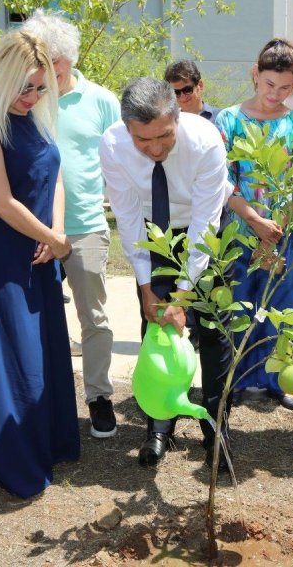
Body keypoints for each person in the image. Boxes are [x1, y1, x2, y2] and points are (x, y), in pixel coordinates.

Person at [0, 31, 80, 498]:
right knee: (16, 357)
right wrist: (50, 237)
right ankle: (17, 460)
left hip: (41, 252)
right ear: (0, 78)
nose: (31, 98)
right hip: (6, 259)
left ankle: (49, 443)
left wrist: (56, 237)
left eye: (39, 88)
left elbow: (56, 178)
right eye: (23, 88)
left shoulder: (35, 117)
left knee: (46, 350)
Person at [99, 77, 233, 468]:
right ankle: (158, 428)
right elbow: (126, 216)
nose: (155, 148)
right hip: (154, 235)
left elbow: (205, 225)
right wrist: (146, 286)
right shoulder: (113, 145)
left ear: (178, 118)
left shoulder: (205, 141)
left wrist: (184, 294)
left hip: (202, 234)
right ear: (127, 129)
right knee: (156, 330)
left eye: (164, 137)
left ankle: (215, 429)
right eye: (144, 140)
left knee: (211, 332)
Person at [21, 10, 121, 439]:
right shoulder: (24, 97)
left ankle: (98, 396)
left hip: (85, 227)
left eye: (56, 68)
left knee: (94, 318)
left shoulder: (101, 100)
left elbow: (119, 163)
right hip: (33, 229)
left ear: (70, 60)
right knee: (36, 319)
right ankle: (44, 397)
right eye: (43, 68)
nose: (50, 78)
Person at [216, 38, 293, 411]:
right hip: (240, 232)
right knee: (240, 304)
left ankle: (283, 380)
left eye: (285, 87)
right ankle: (238, 380)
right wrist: (256, 222)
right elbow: (223, 180)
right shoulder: (228, 120)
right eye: (269, 84)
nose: (275, 93)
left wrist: (274, 230)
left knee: (283, 304)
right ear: (255, 75)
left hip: (285, 234)